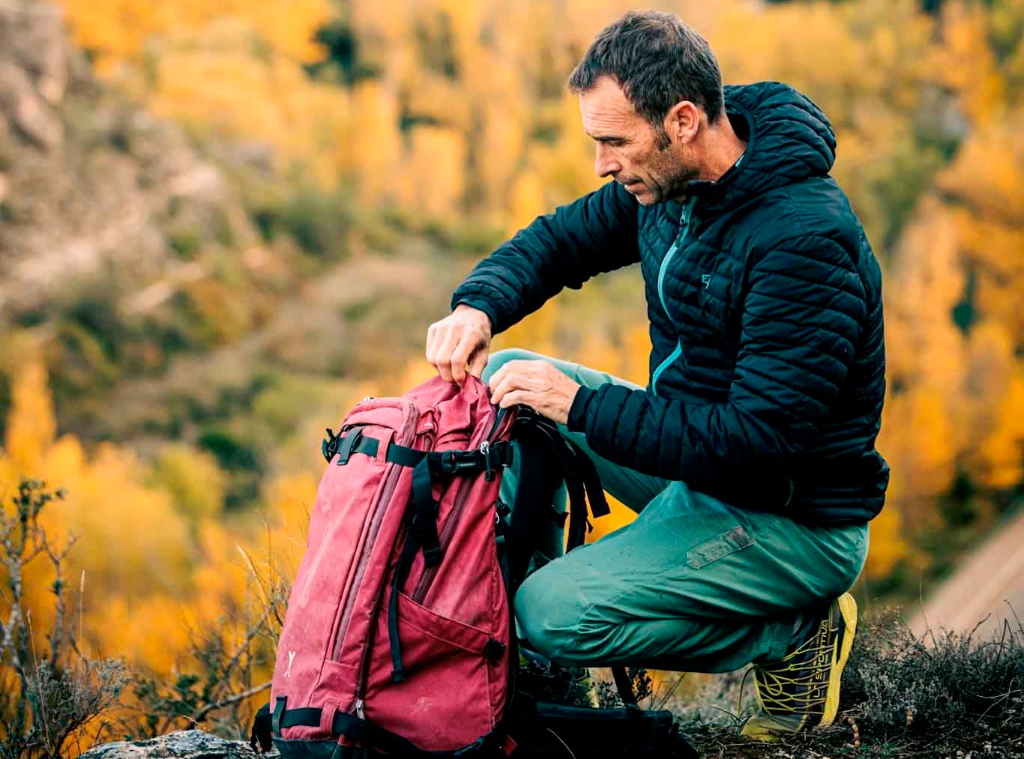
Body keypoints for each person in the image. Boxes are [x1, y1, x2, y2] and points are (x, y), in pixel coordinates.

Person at [424, 9, 888, 741]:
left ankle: (793, 633)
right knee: (509, 379)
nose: (603, 163)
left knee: (549, 614)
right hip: (698, 465)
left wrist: (582, 406)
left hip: (788, 514)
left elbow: (755, 441)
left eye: (614, 141)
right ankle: (503, 649)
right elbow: (559, 242)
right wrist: (478, 307)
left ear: (682, 121)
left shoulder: (803, 240)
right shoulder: (670, 189)